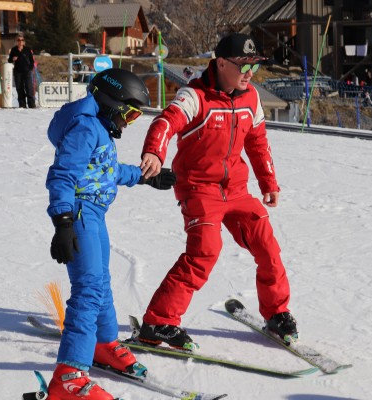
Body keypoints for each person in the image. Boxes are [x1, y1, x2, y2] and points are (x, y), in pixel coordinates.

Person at [136, 33, 298, 350]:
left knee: (267, 246)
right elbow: (166, 122)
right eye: (243, 65)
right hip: (199, 188)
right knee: (204, 252)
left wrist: (269, 182)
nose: (250, 72)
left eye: (254, 65)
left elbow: (257, 142)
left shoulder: (251, 97)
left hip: (236, 189)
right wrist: (155, 152)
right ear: (221, 63)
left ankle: (277, 313)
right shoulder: (195, 96)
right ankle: (159, 322)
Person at [45, 68, 177, 400]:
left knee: (101, 281)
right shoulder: (85, 128)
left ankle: (103, 345)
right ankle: (68, 376)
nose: (130, 121)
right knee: (88, 289)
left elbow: (108, 170)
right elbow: (62, 175)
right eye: (130, 113)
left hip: (95, 214)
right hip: (77, 213)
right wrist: (62, 222)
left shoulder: (100, 128)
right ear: (109, 102)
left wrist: (144, 177)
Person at [8, 34, 36, 108]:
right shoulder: (14, 50)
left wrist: (30, 68)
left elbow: (32, 61)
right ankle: (22, 105)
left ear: (24, 42)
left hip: (27, 72)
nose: (20, 42)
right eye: (19, 40)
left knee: (29, 88)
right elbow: (9, 60)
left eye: (22, 40)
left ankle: (31, 105)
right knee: (19, 89)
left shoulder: (27, 49)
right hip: (18, 72)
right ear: (16, 42)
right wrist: (12, 59)